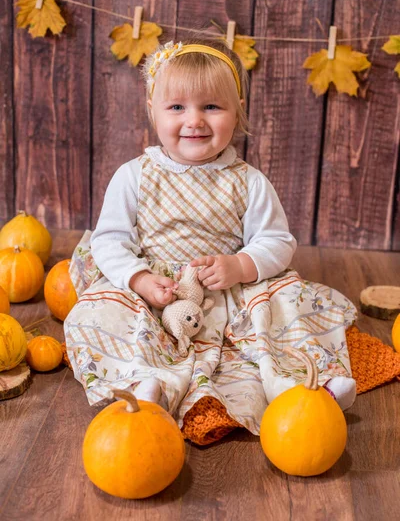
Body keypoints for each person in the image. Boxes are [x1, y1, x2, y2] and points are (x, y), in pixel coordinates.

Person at [64, 35, 356, 445]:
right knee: (97, 313)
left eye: (212, 107)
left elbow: (276, 240)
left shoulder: (248, 182)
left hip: (228, 289)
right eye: (177, 107)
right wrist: (140, 279)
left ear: (237, 113)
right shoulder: (135, 176)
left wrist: (240, 265)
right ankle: (144, 383)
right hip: (155, 289)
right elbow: (110, 241)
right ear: (153, 111)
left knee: (283, 308)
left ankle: (306, 388)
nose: (195, 120)